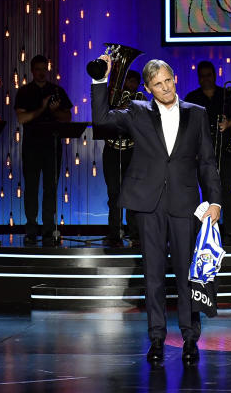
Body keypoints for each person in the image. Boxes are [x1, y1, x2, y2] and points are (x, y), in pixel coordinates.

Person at [91, 55, 221, 364]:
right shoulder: (137, 112)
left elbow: (206, 161)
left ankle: (190, 338)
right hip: (148, 204)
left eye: (168, 81)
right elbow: (101, 120)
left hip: (184, 203)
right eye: (158, 84)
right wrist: (100, 80)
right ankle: (157, 338)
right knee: (153, 276)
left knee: (187, 276)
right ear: (149, 88)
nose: (165, 88)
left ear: (175, 79)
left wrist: (215, 200)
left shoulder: (197, 113)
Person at [185, 61, 231, 243]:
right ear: (199, 78)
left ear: (214, 75)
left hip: (226, 150)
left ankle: (230, 230)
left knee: (228, 189)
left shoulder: (227, 94)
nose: (205, 79)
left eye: (208, 75)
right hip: (202, 152)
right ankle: (209, 230)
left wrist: (228, 123)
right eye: (202, 76)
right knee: (206, 190)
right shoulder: (192, 97)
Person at [14, 54, 73, 246]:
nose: (41, 73)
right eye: (37, 69)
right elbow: (22, 119)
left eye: (44, 68)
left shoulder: (57, 90)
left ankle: (49, 229)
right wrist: (42, 108)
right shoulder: (24, 92)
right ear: (32, 71)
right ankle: (31, 229)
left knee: (51, 189)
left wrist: (54, 111)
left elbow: (67, 118)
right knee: (31, 188)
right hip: (31, 148)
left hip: (52, 146)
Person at [100, 69, 143, 246]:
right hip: (112, 149)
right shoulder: (112, 99)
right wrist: (117, 110)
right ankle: (115, 234)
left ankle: (135, 235)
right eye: (128, 81)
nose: (131, 85)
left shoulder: (141, 100)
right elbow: (101, 119)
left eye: (134, 82)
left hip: (133, 151)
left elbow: (147, 124)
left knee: (133, 194)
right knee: (114, 194)